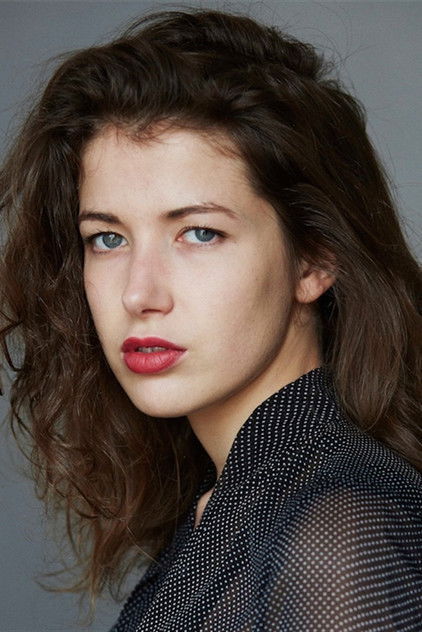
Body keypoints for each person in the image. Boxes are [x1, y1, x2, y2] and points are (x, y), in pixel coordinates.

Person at [1, 7, 421, 631]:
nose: (140, 294)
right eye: (108, 239)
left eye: (200, 233)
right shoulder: (235, 506)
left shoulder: (335, 534)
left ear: (314, 260)